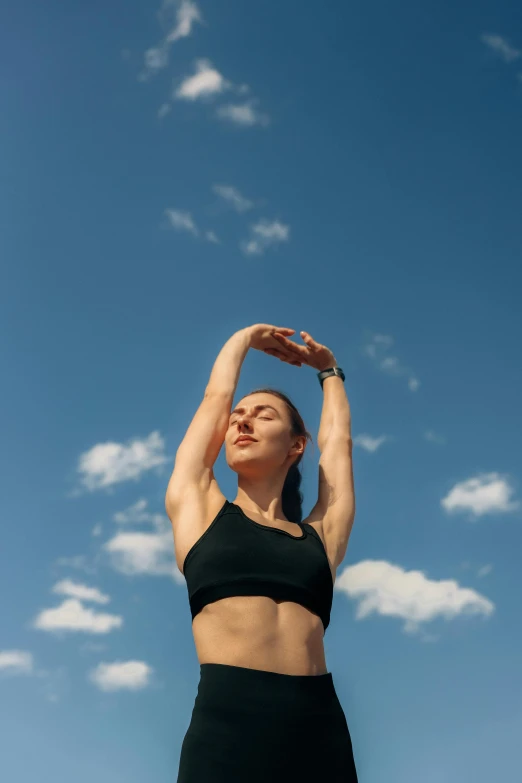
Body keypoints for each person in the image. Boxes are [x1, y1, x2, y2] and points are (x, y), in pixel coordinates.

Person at [165, 323, 359, 782]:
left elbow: (338, 449)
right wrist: (242, 341)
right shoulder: (199, 509)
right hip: (227, 728)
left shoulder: (321, 536)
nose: (242, 421)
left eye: (264, 415)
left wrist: (329, 371)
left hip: (318, 730)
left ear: (296, 445)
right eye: (239, 416)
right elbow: (216, 403)